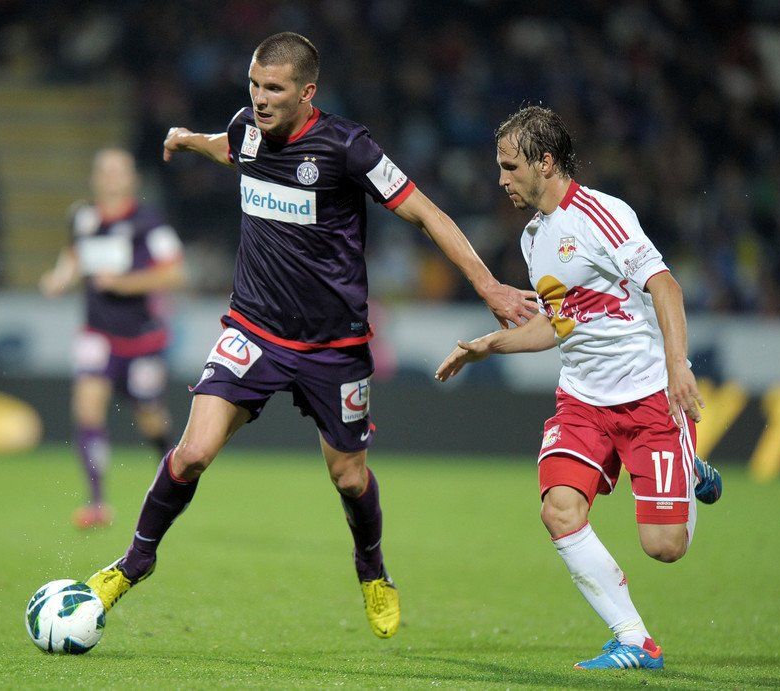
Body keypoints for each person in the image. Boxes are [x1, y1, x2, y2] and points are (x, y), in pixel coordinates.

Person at [85, 32, 537, 639]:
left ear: (307, 92)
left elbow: (425, 212)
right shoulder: (247, 128)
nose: (259, 98)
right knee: (190, 454)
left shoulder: (348, 147)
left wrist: (489, 286)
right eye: (253, 84)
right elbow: (231, 147)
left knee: (349, 476)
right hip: (254, 329)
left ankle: (371, 568)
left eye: (273, 88)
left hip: (334, 347)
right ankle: (133, 562)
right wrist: (191, 140)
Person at [435, 105, 722, 669]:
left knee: (664, 548)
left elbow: (665, 286)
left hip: (647, 396)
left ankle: (686, 466)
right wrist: (487, 346)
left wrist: (677, 367)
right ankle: (635, 640)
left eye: (510, 166)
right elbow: (557, 325)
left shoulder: (602, 215)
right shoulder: (533, 238)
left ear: (545, 162)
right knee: (559, 510)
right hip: (582, 402)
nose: (501, 179)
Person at [40, 148, 187, 529]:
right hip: (97, 332)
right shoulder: (82, 217)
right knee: (87, 408)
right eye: (104, 170)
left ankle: (172, 477)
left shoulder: (148, 223)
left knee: (151, 417)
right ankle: (97, 502)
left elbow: (175, 273)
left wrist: (124, 283)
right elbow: (74, 255)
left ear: (132, 179)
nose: (110, 177)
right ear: (94, 178)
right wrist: (60, 278)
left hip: (141, 339)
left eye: (118, 171)